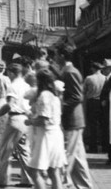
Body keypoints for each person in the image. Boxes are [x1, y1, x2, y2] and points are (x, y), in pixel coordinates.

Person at [54, 45, 93, 189]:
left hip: (73, 120)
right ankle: (84, 185)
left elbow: (77, 96)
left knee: (70, 156)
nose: (55, 57)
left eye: (56, 54)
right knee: (77, 157)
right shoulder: (66, 71)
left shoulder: (70, 72)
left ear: (63, 56)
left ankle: (66, 183)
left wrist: (59, 106)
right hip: (72, 120)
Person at [0, 63, 32, 188]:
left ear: (12, 73)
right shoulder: (26, 85)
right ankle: (28, 179)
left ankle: (3, 180)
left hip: (15, 119)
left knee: (5, 151)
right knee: (24, 151)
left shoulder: (12, 87)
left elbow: (9, 105)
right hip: (25, 119)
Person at [25, 68, 66, 189]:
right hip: (56, 133)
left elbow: (44, 120)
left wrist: (30, 121)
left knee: (33, 170)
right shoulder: (55, 95)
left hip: (46, 135)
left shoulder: (44, 95)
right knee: (53, 171)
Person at [83, 61, 106, 153]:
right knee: (102, 124)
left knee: (92, 125)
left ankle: (93, 146)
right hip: (101, 101)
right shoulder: (105, 78)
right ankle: (104, 145)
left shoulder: (89, 78)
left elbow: (84, 91)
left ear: (93, 68)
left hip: (92, 101)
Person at [99, 58, 111, 165]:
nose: (103, 70)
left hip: (109, 110)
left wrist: (105, 100)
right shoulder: (109, 78)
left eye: (104, 68)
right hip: (106, 110)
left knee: (110, 134)